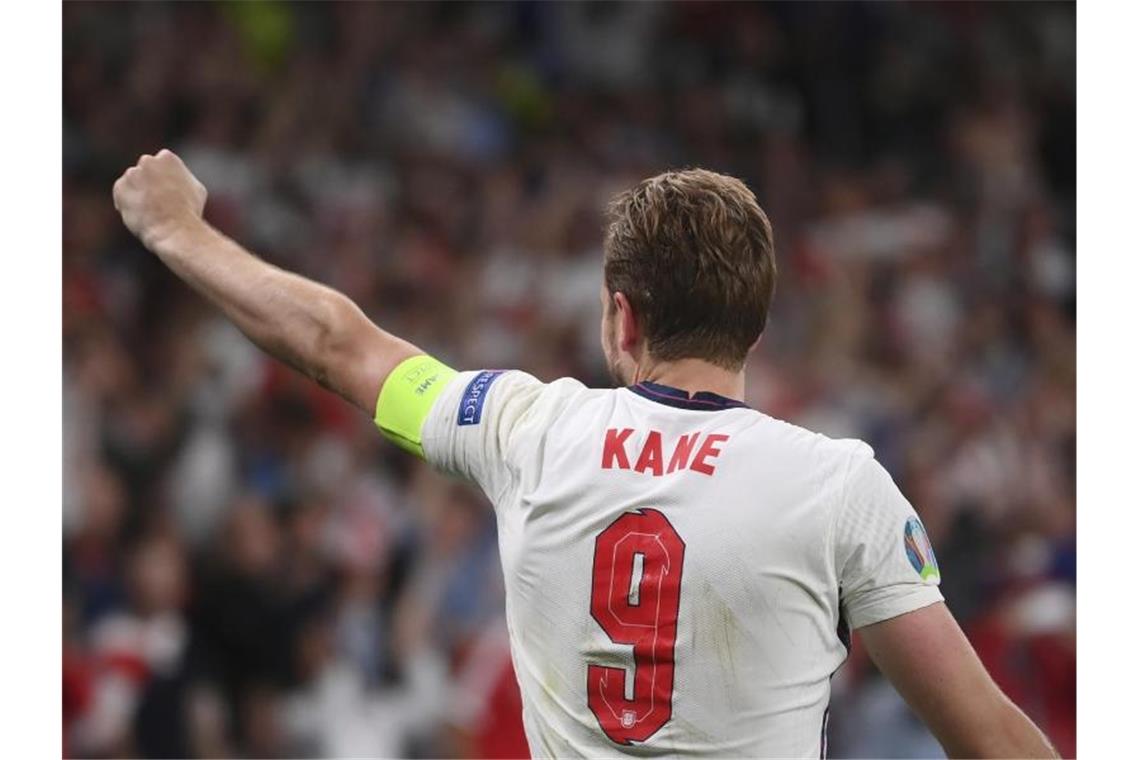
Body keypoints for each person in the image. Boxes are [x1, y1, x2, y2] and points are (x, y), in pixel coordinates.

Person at [112, 150, 1058, 758]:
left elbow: (336, 343)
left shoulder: (520, 429)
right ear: (757, 329)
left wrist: (176, 230)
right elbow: (988, 740)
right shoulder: (839, 487)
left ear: (621, 316)